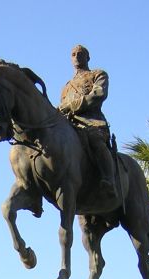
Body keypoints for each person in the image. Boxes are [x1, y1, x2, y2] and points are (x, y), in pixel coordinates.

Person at [59, 44, 116, 197]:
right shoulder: (66, 88)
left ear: (87, 57)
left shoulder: (98, 74)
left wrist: (71, 106)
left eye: (80, 53)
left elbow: (98, 95)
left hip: (92, 123)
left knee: (96, 142)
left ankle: (108, 179)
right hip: (71, 126)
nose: (76, 56)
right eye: (73, 54)